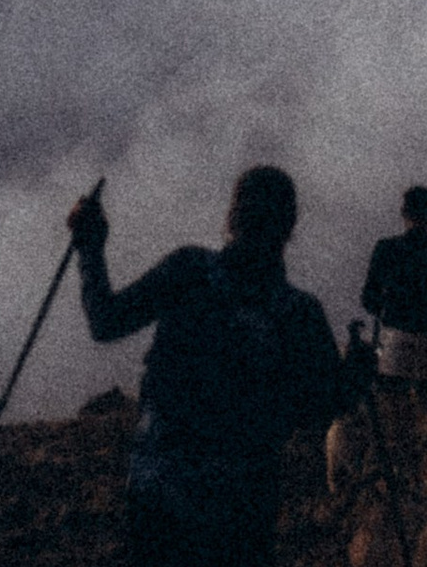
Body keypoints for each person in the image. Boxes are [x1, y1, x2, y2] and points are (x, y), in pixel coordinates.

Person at [70, 165, 368, 567]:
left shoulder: (188, 271)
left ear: (231, 217)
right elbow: (319, 409)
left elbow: (106, 322)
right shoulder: (299, 313)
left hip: (161, 490)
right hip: (243, 506)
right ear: (290, 227)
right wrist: (356, 373)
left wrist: (89, 244)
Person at [358, 185, 427, 403]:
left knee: (392, 404)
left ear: (403, 212)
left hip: (394, 338)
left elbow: (368, 298)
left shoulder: (386, 249)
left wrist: (383, 307)